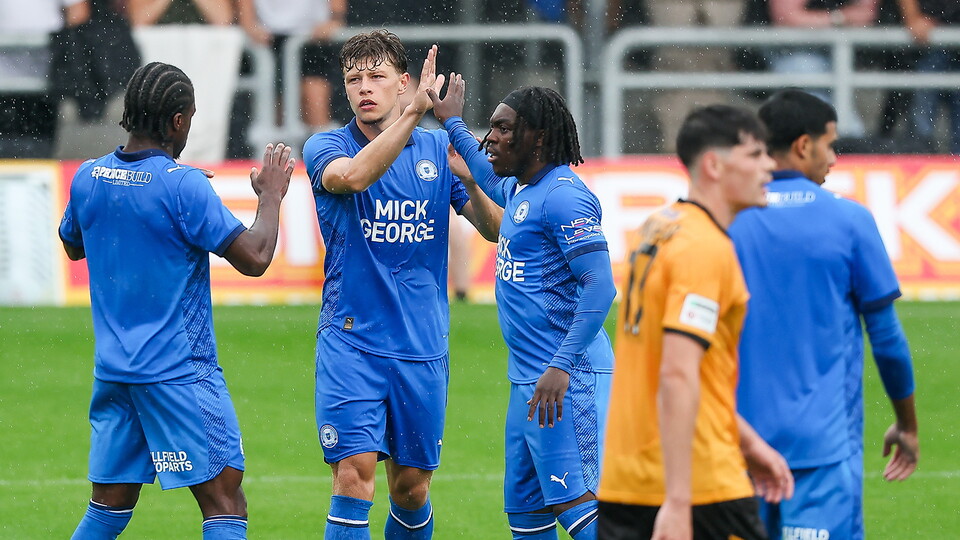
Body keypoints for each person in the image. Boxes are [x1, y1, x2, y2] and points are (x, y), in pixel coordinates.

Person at [58, 61, 295, 539]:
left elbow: (73, 244)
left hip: (115, 373)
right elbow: (255, 257)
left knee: (108, 506)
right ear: (179, 122)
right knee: (225, 503)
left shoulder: (87, 177)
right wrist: (270, 195)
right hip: (178, 373)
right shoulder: (184, 185)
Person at [301, 30, 501, 540]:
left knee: (411, 490)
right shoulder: (325, 145)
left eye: (376, 76)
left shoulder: (437, 148)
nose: (364, 88)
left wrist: (473, 181)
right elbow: (353, 179)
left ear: (403, 82)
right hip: (352, 343)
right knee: (353, 477)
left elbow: (497, 228)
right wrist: (414, 113)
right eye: (353, 79)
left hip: (421, 346)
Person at [597, 105, 794, 540]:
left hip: (626, 481)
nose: (770, 166)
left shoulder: (657, 227)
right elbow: (677, 373)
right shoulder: (705, 250)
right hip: (699, 489)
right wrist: (680, 501)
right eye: (756, 154)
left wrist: (748, 442)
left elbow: (676, 370)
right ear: (714, 165)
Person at [730, 89, 919, 540]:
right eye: (831, 144)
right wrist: (907, 424)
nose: (834, 158)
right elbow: (887, 340)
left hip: (735, 446)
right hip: (821, 449)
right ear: (802, 145)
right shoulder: (850, 221)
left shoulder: (727, 221)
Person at [433, 82, 617, 539]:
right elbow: (483, 171)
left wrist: (560, 365)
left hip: (567, 378)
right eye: (490, 127)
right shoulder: (520, 187)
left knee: (579, 506)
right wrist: (452, 121)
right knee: (527, 514)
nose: (489, 138)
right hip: (528, 382)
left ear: (536, 137)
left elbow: (600, 287)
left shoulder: (564, 197)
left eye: (502, 128)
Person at [764, 0, 878, 137]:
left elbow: (865, 14)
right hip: (792, 49)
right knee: (805, 68)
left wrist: (829, 19)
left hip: (837, 52)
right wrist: (839, 18)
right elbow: (787, 16)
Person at [237, 0, 347, 133]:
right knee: (275, 109)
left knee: (314, 95)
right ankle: (282, 149)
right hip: (269, 39)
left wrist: (335, 19)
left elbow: (336, 13)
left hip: (313, 37)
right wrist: (249, 24)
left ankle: (326, 149)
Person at [0, 0, 89, 158]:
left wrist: (62, 45)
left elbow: (78, 12)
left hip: (47, 76)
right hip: (6, 76)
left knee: (40, 147)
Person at [897, 0, 960, 154]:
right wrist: (913, 17)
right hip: (928, 44)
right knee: (921, 123)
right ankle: (917, 161)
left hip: (938, 38)